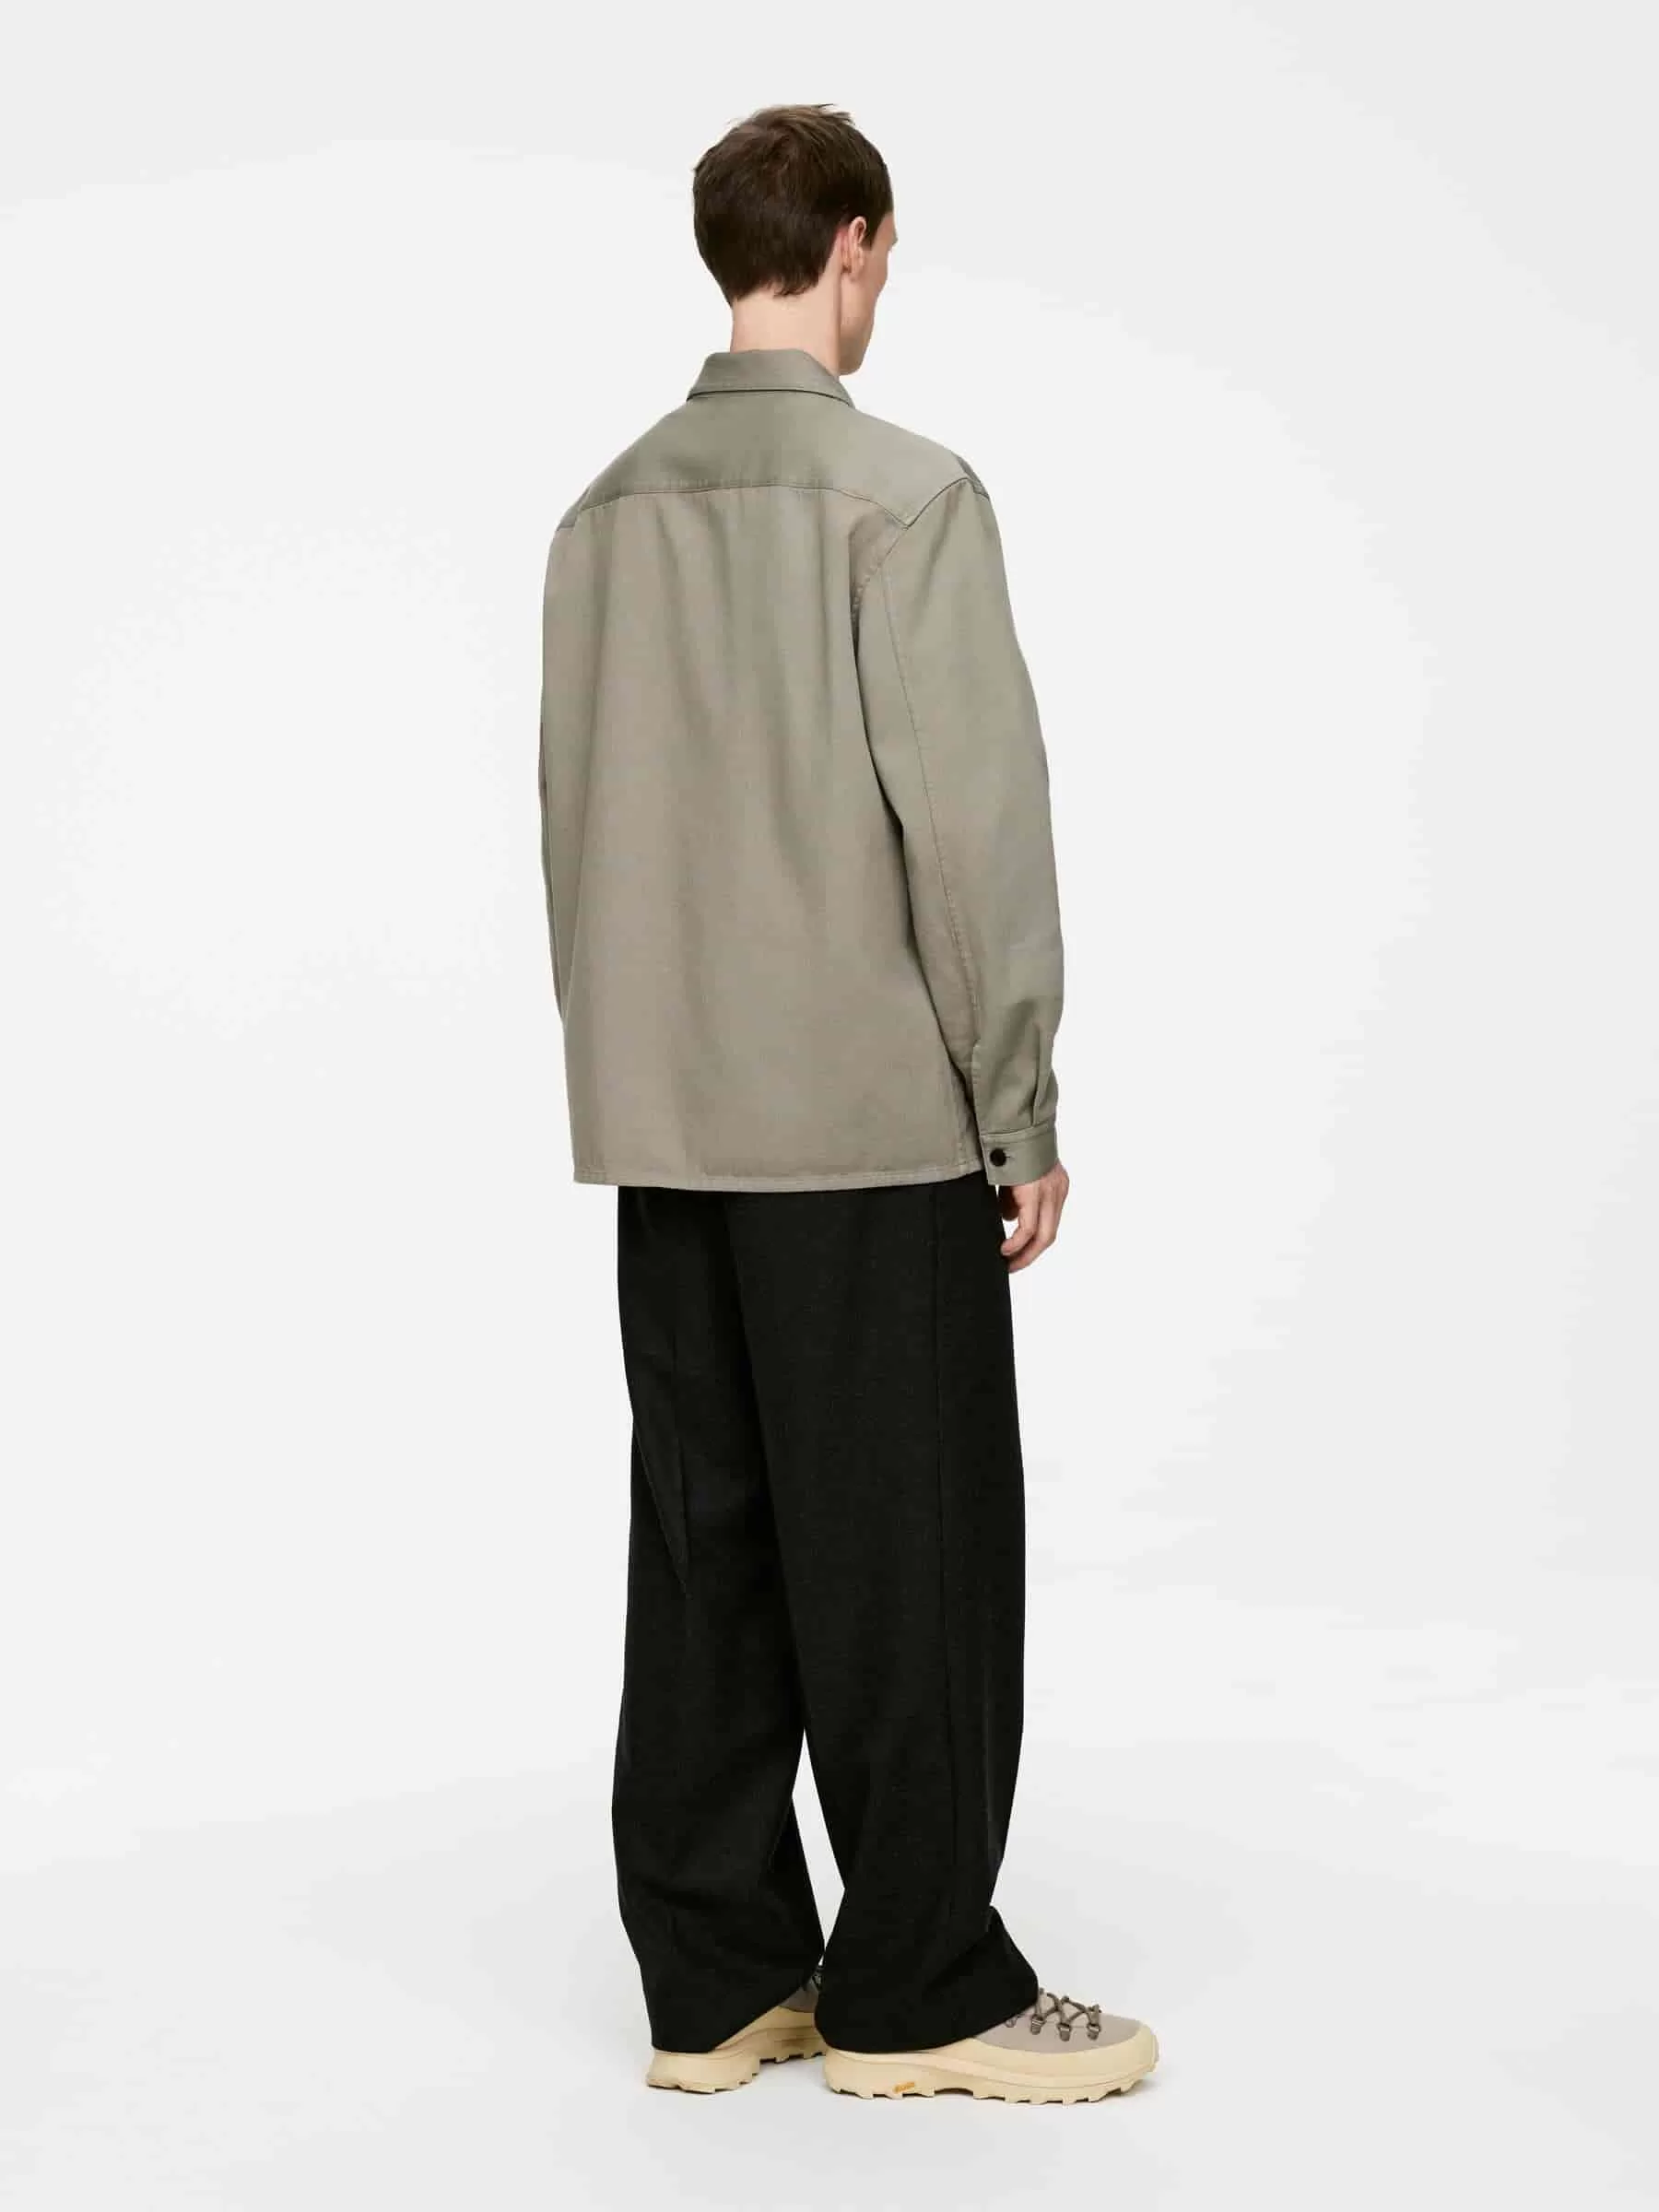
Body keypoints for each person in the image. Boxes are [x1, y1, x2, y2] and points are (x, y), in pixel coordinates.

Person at [536, 102, 1158, 2105]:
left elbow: (573, 823)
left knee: (707, 1549)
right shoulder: (906, 498)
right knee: (913, 1555)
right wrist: (1018, 1102)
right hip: (869, 1118)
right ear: (860, 245)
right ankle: (919, 1987)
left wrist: (628, 1068)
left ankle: (717, 1978)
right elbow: (970, 835)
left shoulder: (603, 516)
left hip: (668, 1122)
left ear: (726, 249)